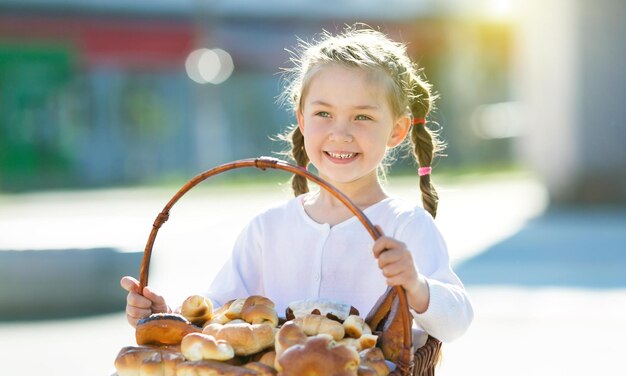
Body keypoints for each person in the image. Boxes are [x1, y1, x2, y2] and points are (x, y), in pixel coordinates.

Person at [121, 26, 473, 346]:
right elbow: (216, 316)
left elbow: (456, 322)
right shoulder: (268, 229)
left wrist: (415, 284)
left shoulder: (406, 226)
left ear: (397, 130)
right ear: (302, 120)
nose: (341, 132)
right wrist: (166, 314)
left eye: (362, 116)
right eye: (324, 114)